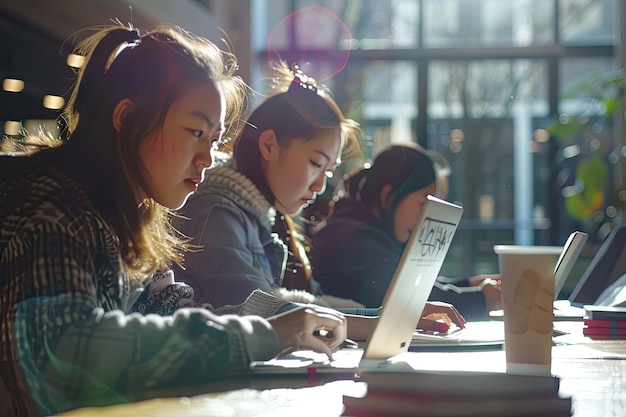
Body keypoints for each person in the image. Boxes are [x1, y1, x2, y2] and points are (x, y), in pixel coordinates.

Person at [0, 24, 347, 417]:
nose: (206, 157)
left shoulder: (127, 215)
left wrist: (286, 328)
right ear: (126, 118)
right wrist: (265, 333)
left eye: (213, 140)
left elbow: (174, 315)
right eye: (194, 132)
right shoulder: (49, 207)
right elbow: (67, 350)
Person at [172, 63, 466, 337]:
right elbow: (265, 316)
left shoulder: (258, 216)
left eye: (328, 171)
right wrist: (382, 321)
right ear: (269, 146)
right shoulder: (214, 215)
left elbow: (307, 308)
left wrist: (390, 316)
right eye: (315, 163)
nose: (320, 185)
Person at [310, 143, 501, 320]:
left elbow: (402, 281)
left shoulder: (359, 232)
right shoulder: (352, 240)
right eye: (422, 203)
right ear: (388, 194)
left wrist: (469, 285)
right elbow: (403, 295)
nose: (425, 217)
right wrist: (481, 298)